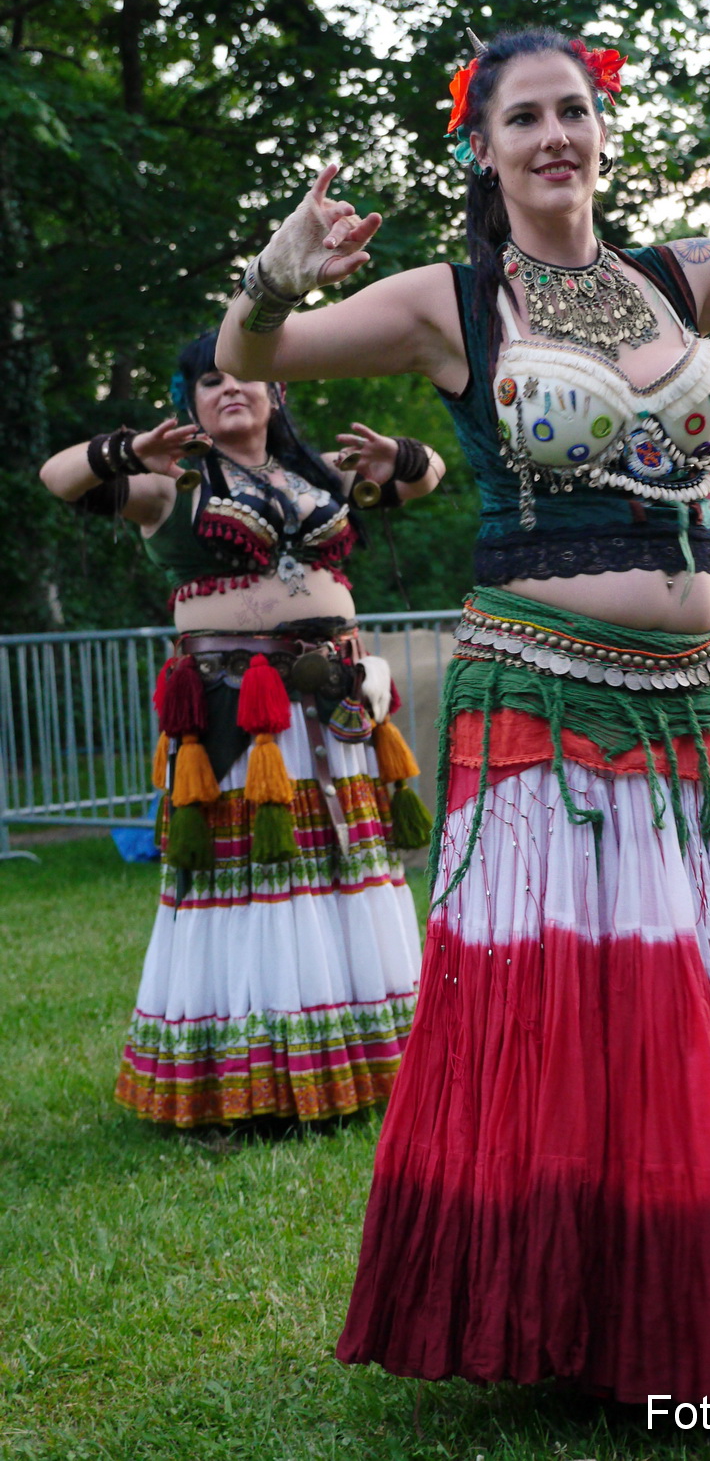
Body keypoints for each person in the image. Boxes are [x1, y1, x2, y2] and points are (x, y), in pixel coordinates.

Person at [215, 26, 710, 1402]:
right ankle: (575, 1315)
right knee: (584, 1007)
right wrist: (267, 280)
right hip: (544, 699)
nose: (551, 137)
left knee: (698, 998)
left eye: (571, 113)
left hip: (692, 708)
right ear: (481, 150)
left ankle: (704, 1291)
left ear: (602, 131)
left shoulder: (684, 278)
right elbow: (262, 354)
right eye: (520, 119)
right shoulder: (450, 305)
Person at [39, 331, 445, 1129]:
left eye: (247, 377)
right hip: (235, 720)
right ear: (186, 402)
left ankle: (366, 1068)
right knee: (255, 885)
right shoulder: (170, 486)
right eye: (210, 381)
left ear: (278, 392)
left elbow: (427, 478)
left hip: (336, 709)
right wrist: (123, 449)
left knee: (345, 874)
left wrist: (397, 453)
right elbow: (58, 479)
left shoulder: (321, 477)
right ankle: (254, 1081)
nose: (231, 389)